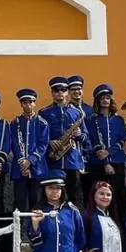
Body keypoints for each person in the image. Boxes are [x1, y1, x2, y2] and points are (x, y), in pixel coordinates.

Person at [40, 76, 88, 208]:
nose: (60, 93)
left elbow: (85, 136)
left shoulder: (77, 112)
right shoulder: (44, 112)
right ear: (52, 93)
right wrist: (49, 141)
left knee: (72, 196)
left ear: (67, 92)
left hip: (72, 161)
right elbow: (40, 135)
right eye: (56, 90)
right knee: (51, 196)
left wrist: (80, 134)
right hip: (53, 159)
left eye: (63, 90)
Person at [86, 84, 126, 216]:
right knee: (97, 195)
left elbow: (122, 139)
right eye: (102, 98)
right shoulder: (92, 120)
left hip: (117, 161)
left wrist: (109, 152)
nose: (105, 100)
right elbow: (93, 141)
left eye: (107, 98)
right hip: (98, 163)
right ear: (97, 101)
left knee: (118, 195)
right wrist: (105, 163)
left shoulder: (119, 119)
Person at [10, 88, 48, 215]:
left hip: (37, 168)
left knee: (36, 201)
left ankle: (34, 231)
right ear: (21, 104)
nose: (28, 105)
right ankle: (18, 230)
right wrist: (22, 162)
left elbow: (43, 144)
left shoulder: (42, 123)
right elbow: (14, 143)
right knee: (19, 200)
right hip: (19, 168)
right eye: (25, 102)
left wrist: (30, 161)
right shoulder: (15, 123)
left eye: (30, 102)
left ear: (35, 103)